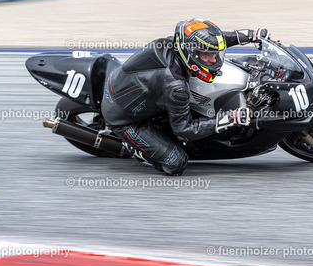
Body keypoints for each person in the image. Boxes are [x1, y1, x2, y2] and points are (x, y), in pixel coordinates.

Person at [101, 19, 269, 176]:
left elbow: (210, 41)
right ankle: (133, 147)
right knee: (176, 163)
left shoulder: (173, 44)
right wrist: (230, 118)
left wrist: (248, 36)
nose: (214, 60)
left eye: (214, 54)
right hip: (124, 118)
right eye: (207, 55)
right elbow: (185, 130)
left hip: (124, 84)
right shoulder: (176, 87)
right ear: (191, 54)